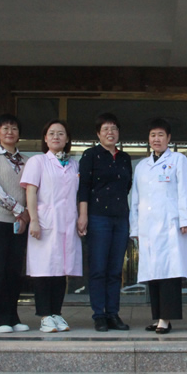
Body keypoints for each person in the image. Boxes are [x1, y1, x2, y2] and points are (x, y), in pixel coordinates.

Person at [130, 118, 187, 334]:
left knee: (169, 272)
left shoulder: (178, 160)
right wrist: (135, 228)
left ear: (168, 138)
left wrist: (185, 219)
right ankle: (158, 316)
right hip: (147, 227)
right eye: (152, 135)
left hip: (170, 225)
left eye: (160, 135)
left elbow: (186, 190)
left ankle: (166, 319)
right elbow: (136, 199)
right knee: (153, 273)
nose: (156, 139)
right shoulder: (142, 166)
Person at [20, 119, 82, 332]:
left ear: (67, 139)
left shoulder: (74, 164)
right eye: (52, 133)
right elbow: (30, 191)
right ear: (45, 139)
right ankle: (45, 316)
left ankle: (57, 313)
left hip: (67, 223)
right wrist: (34, 220)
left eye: (61, 133)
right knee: (43, 270)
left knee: (61, 270)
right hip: (44, 222)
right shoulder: (37, 161)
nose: (56, 137)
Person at [77, 113, 133, 332]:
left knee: (115, 270)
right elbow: (83, 187)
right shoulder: (90, 155)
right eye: (106, 129)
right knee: (99, 268)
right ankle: (99, 315)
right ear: (98, 133)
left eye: (114, 129)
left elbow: (127, 186)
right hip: (97, 217)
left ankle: (113, 313)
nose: (110, 132)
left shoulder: (124, 158)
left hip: (120, 218)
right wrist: (83, 215)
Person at [0, 114, 31, 333]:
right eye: (5, 128)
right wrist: (20, 210)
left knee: (14, 271)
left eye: (14, 128)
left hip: (20, 223)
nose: (10, 132)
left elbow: (31, 190)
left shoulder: (26, 161)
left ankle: (12, 316)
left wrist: (26, 214)